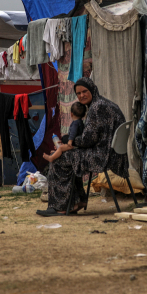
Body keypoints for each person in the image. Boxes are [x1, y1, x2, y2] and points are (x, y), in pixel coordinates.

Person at [36, 77, 129, 216]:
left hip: (103, 156)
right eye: (78, 93)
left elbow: (88, 140)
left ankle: (61, 206)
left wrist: (68, 140)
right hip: (112, 153)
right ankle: (78, 201)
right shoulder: (102, 103)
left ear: (92, 89)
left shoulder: (97, 107)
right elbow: (93, 138)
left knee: (58, 159)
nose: (81, 96)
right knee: (71, 157)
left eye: (84, 91)